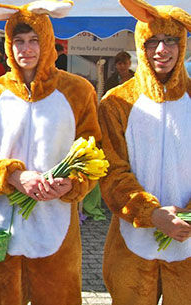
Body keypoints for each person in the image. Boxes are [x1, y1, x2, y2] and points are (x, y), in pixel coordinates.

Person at [0, 2, 100, 304]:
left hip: (56, 224)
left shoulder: (78, 91)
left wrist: (73, 183)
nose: (26, 48)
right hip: (0, 228)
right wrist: (14, 176)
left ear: (47, 41)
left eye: (34, 40)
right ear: (9, 45)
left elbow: (94, 151)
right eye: (18, 41)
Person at [98, 1, 191, 304]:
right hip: (132, 244)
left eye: (170, 40)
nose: (162, 50)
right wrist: (151, 214)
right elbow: (112, 172)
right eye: (153, 41)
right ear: (141, 45)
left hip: (187, 244)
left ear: (183, 44)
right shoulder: (116, 103)